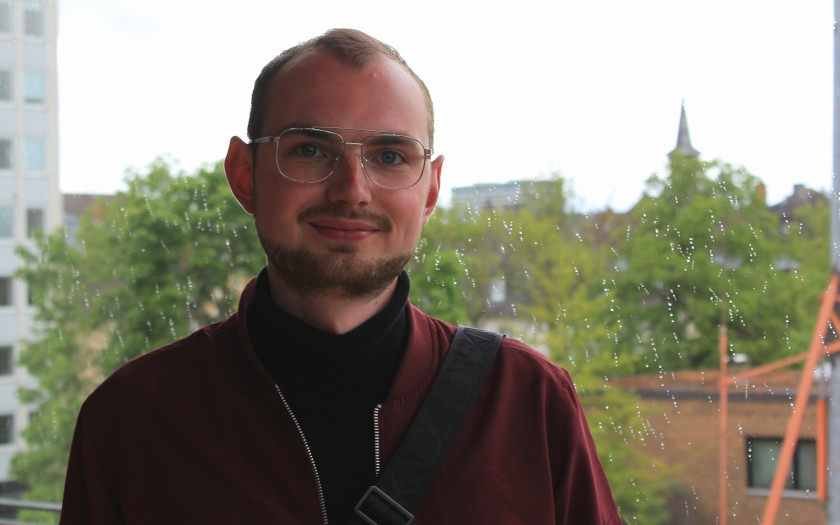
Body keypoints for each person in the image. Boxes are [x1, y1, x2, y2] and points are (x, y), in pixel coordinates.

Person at [59, 28, 621, 525]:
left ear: (430, 188)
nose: (352, 189)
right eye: (309, 150)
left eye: (391, 156)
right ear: (244, 174)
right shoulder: (132, 422)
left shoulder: (528, 401)